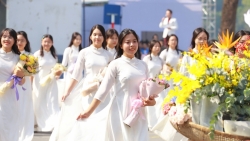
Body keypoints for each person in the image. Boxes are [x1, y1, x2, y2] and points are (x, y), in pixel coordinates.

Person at [67, 29, 156, 141]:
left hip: (139, 114)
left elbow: (146, 90)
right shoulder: (115, 64)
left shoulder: (143, 65)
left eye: (134, 41)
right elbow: (103, 90)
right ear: (121, 45)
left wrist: (151, 101)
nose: (132, 45)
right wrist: (88, 111)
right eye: (127, 42)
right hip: (119, 112)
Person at [50, 24, 113, 141]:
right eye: (94, 34)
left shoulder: (108, 55)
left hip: (103, 91)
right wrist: (67, 92)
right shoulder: (84, 52)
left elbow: (111, 76)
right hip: (87, 90)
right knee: (88, 118)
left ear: (104, 37)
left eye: (100, 35)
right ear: (90, 36)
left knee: (101, 120)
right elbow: (76, 75)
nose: (97, 37)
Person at [179, 27, 223, 131]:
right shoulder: (188, 56)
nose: (202, 41)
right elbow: (182, 76)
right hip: (195, 95)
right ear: (194, 39)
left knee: (209, 123)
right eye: (200, 38)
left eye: (205, 38)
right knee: (197, 123)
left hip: (209, 96)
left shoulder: (209, 56)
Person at [0, 28, 25, 141]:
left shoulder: (17, 57)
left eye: (10, 37)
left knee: (9, 123)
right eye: (4, 36)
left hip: (9, 95)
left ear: (14, 40)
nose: (7, 39)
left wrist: (20, 75)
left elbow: (22, 82)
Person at [33, 34, 61, 131]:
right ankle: (39, 123)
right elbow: (32, 70)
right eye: (45, 41)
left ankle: (53, 123)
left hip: (51, 81)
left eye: (49, 42)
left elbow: (55, 68)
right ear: (42, 42)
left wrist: (57, 73)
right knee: (40, 102)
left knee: (52, 101)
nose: (47, 43)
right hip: (39, 81)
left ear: (52, 43)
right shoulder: (37, 54)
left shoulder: (54, 56)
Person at [17, 31, 34, 141]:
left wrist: (30, 85)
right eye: (17, 40)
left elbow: (32, 72)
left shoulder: (29, 55)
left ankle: (23, 134)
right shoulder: (12, 54)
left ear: (26, 41)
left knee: (24, 108)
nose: (19, 42)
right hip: (12, 85)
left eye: (22, 40)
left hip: (25, 85)